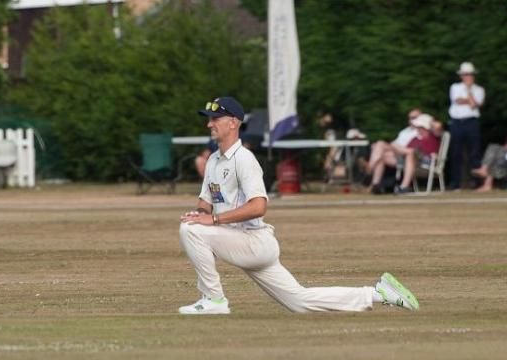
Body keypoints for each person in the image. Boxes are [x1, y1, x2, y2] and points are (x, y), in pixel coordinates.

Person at [178, 96, 420, 314]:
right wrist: (199, 213)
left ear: (233, 123)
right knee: (300, 301)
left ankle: (214, 300)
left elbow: (258, 207)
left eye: (215, 119)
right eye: (209, 119)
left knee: (191, 231)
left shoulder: (244, 159)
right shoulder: (213, 160)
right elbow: (206, 202)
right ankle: (378, 293)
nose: (209, 124)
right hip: (239, 240)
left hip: (253, 242)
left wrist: (214, 220)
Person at [448, 62, 485, 190]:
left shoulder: (479, 89)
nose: (468, 77)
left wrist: (469, 92)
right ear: (461, 76)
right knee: (456, 152)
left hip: (471, 122)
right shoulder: (455, 87)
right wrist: (469, 100)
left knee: (475, 152)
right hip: (457, 122)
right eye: (465, 74)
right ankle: (455, 182)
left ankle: (476, 181)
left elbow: (475, 104)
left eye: (470, 74)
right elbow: (457, 100)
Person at [366, 108, 421, 194]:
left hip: (409, 155)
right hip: (398, 154)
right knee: (379, 153)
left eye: (414, 117)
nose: (411, 120)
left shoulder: (422, 131)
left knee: (380, 144)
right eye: (410, 118)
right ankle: (375, 185)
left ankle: (369, 167)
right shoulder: (405, 131)